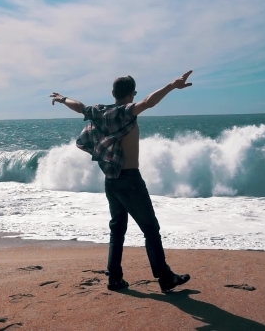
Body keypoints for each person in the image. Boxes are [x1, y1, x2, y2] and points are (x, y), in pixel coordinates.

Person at [50, 70, 193, 292]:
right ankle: (165, 277)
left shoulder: (100, 111)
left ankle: (114, 278)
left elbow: (79, 106)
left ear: (113, 93)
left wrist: (62, 99)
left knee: (117, 230)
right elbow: (148, 102)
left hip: (111, 180)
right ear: (131, 95)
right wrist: (172, 85)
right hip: (130, 180)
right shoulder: (125, 113)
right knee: (150, 229)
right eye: (134, 94)